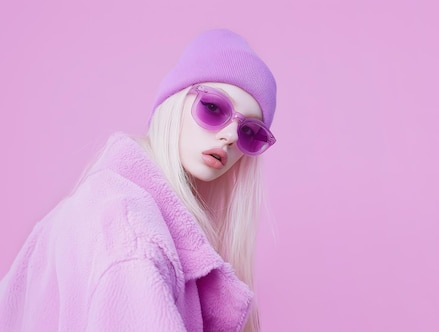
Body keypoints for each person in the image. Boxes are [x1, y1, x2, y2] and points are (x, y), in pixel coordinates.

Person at [0, 29, 277, 332]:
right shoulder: (133, 237)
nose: (230, 137)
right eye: (213, 107)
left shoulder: (106, 206)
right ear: (173, 103)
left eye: (250, 132)